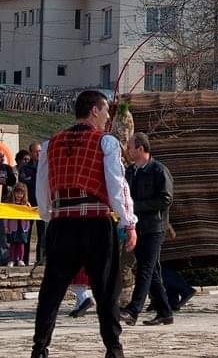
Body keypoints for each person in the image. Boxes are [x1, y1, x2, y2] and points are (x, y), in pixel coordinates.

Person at [31, 89, 138, 358]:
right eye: (104, 111)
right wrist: (129, 222)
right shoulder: (106, 142)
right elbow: (117, 186)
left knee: (51, 290)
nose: (106, 117)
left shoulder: (50, 143)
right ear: (93, 110)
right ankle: (114, 349)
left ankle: (40, 347)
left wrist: (49, 216)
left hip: (62, 223)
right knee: (106, 290)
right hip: (95, 224)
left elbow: (41, 187)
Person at [120, 133, 175, 327]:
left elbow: (166, 199)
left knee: (145, 269)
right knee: (150, 271)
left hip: (154, 227)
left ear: (141, 149)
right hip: (137, 227)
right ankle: (165, 312)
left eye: (131, 147)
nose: (128, 151)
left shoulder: (159, 170)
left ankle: (133, 310)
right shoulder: (131, 171)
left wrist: (137, 206)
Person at [5, 182, 32, 266]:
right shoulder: (10, 204)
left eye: (21, 193)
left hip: (23, 228)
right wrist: (6, 227)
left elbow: (29, 215)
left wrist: (28, 226)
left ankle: (20, 259)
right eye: (17, 193)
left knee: (21, 244)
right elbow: (6, 215)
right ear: (14, 193)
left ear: (24, 194)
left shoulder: (27, 204)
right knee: (12, 244)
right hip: (13, 227)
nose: (19, 195)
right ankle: (11, 260)